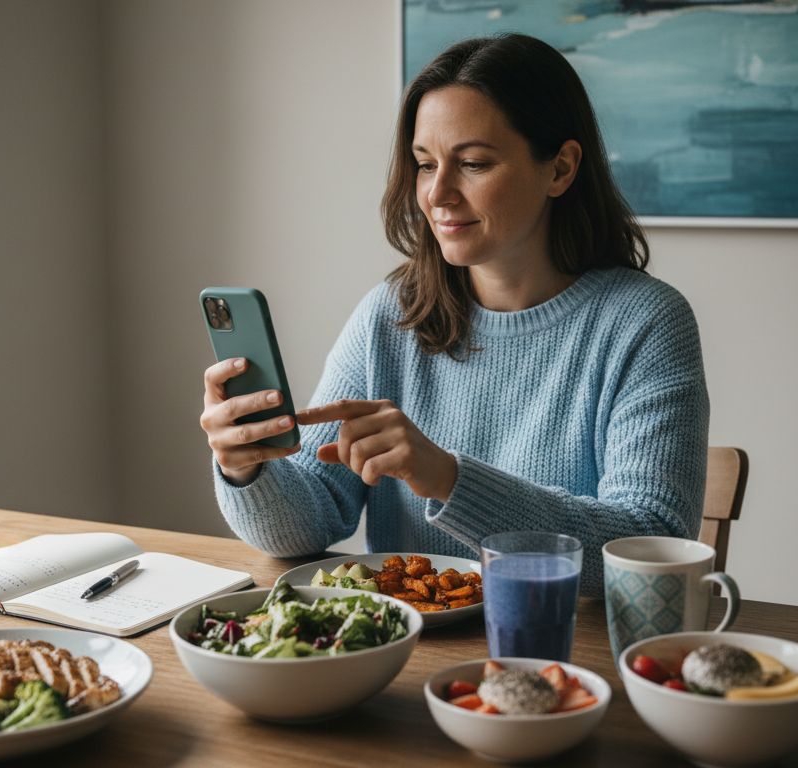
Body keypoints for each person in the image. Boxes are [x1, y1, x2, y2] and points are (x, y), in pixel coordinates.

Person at [199, 34, 708, 597]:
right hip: (405, 656)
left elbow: (650, 544)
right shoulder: (389, 316)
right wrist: (246, 468)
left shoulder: (646, 323)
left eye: (473, 163)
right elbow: (310, 522)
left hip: (562, 654)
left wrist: (448, 478)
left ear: (560, 169)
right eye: (424, 164)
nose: (437, 195)